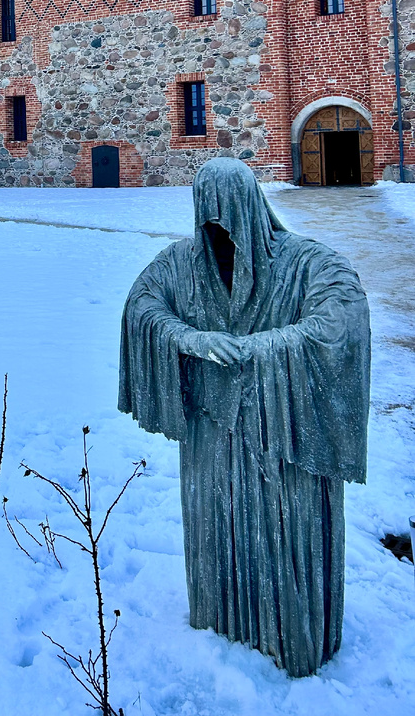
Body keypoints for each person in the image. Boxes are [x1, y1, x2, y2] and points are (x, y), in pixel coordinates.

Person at [118, 158, 370, 677]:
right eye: (209, 222)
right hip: (212, 435)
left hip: (281, 435)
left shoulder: (306, 262)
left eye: (228, 220)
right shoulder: (182, 264)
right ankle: (222, 621)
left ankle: (291, 638)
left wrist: (261, 349)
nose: (220, 233)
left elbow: (341, 315)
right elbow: (143, 306)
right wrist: (191, 339)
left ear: (252, 207)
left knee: (285, 534)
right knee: (218, 528)